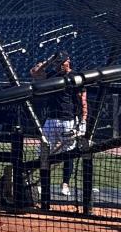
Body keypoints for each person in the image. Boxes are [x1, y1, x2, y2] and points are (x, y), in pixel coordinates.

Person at [30, 50, 87, 199]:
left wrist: (82, 121)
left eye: (61, 62)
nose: (59, 65)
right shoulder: (52, 75)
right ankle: (43, 184)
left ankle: (65, 184)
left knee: (68, 154)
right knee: (43, 153)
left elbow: (83, 101)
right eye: (57, 63)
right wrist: (49, 61)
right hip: (51, 119)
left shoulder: (76, 77)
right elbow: (35, 73)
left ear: (68, 61)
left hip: (68, 119)